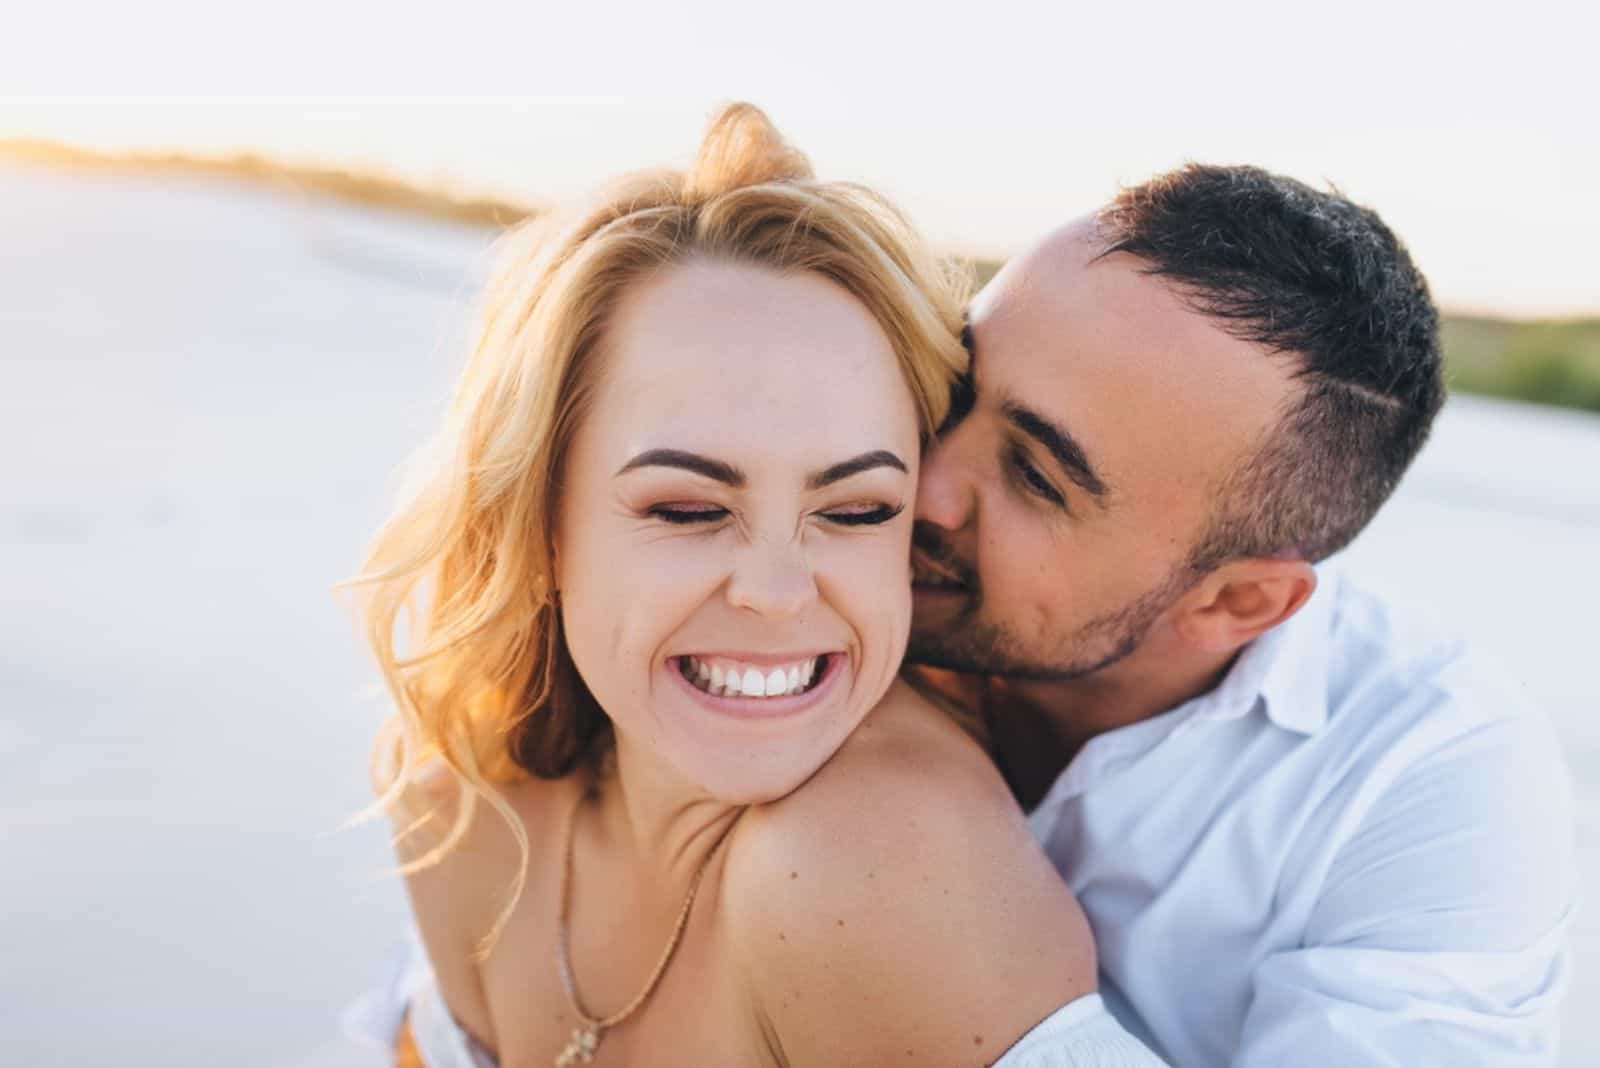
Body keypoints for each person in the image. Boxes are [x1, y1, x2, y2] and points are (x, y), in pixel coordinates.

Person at [342, 104, 1164, 1067]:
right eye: (688, 510)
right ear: (540, 527)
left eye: (855, 511)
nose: (777, 593)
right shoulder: (455, 798)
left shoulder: (867, 864)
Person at [907, 165, 1579, 1065]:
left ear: (1235, 602)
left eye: (1035, 477)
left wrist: (934, 899)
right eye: (952, 386)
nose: (921, 481)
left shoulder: (1430, 781)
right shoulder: (789, 557)